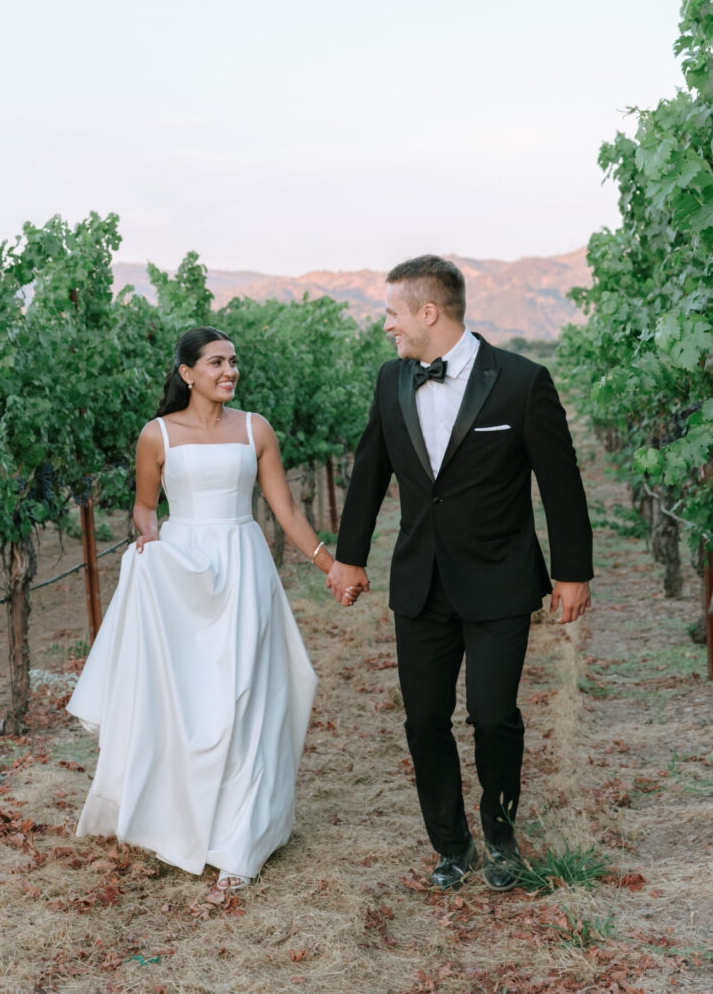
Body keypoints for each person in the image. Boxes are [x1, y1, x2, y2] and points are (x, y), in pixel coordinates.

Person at [326, 256, 592, 893]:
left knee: (493, 715)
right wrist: (349, 557)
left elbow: (561, 483)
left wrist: (573, 571)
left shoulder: (522, 381)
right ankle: (451, 845)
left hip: (500, 578)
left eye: (392, 313)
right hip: (420, 581)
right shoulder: (391, 379)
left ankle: (501, 836)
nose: (386, 326)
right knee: (423, 721)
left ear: (429, 312)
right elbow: (370, 472)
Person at [67, 326, 345, 890]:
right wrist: (151, 545)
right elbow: (146, 508)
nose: (229, 371)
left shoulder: (256, 428)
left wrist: (329, 564)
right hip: (184, 577)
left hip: (245, 567)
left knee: (249, 700)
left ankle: (242, 841)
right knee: (193, 703)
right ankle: (182, 820)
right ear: (187, 373)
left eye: (233, 361)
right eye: (216, 362)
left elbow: (286, 511)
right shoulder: (157, 435)